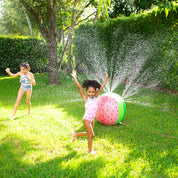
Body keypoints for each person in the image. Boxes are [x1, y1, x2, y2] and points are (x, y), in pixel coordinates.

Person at [71, 69, 109, 155]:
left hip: (92, 119)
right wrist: (75, 77)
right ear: (86, 91)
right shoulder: (86, 98)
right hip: (86, 119)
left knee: (89, 134)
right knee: (91, 135)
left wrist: (106, 79)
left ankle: (75, 135)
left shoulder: (95, 97)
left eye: (93, 92)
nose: (91, 94)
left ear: (95, 91)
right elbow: (79, 88)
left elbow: (101, 87)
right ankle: (90, 151)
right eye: (89, 92)